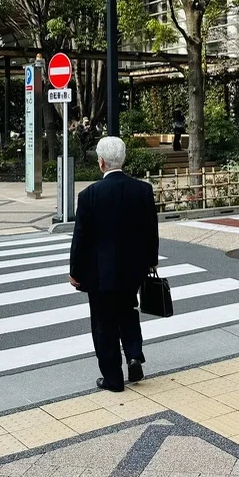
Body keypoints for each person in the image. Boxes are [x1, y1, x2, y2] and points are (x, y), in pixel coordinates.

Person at [69, 135, 159, 392]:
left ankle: (113, 377)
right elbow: (151, 230)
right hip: (134, 269)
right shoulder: (142, 190)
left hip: (100, 272)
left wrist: (75, 272)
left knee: (103, 322)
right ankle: (133, 355)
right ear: (123, 159)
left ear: (101, 163)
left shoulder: (89, 195)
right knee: (128, 310)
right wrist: (150, 261)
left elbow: (80, 240)